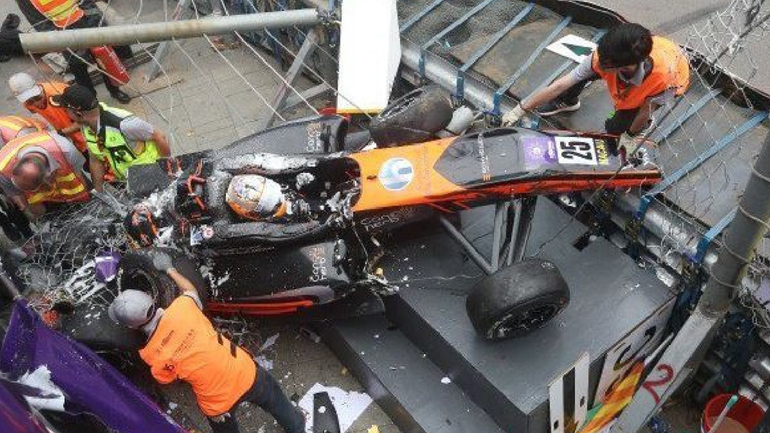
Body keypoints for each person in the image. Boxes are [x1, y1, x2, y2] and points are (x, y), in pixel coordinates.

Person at [108, 252, 306, 433]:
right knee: (274, 399)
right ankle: (297, 426)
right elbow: (190, 290)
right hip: (244, 372)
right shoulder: (184, 307)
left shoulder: (150, 355)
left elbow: (167, 379)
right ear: (151, 299)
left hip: (218, 405)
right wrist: (169, 269)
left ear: (131, 326)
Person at [502, 23, 690, 155]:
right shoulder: (607, 56)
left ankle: (639, 127)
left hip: (668, 77)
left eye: (605, 65)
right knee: (580, 76)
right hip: (651, 54)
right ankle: (568, 102)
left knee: (614, 131)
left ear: (625, 67)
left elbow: (646, 110)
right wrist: (521, 109)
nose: (599, 63)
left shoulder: (664, 79)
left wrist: (629, 137)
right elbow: (560, 85)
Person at [51, 84, 170, 192]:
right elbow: (95, 159)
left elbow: (159, 136)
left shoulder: (124, 124)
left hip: (153, 175)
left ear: (78, 114)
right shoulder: (86, 126)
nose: (66, 114)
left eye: (66, 111)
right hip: (130, 181)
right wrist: (99, 191)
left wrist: (167, 171)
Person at [13, 0, 133, 103]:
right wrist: (55, 38)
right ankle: (91, 101)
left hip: (87, 20)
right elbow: (35, 19)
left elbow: (86, 2)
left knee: (104, 59)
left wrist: (93, 16)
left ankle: (114, 91)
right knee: (79, 69)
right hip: (64, 33)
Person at [0, 131, 90, 217]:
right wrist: (37, 215)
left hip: (72, 189)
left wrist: (84, 200)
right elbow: (21, 200)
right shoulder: (3, 169)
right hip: (45, 204)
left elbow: (80, 178)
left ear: (46, 179)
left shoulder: (65, 149)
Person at [8, 72, 88, 153]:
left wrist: (60, 133)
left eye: (37, 98)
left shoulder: (60, 94)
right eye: (30, 101)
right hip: (74, 140)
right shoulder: (27, 104)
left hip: (88, 137)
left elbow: (85, 121)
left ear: (38, 86)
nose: (36, 104)